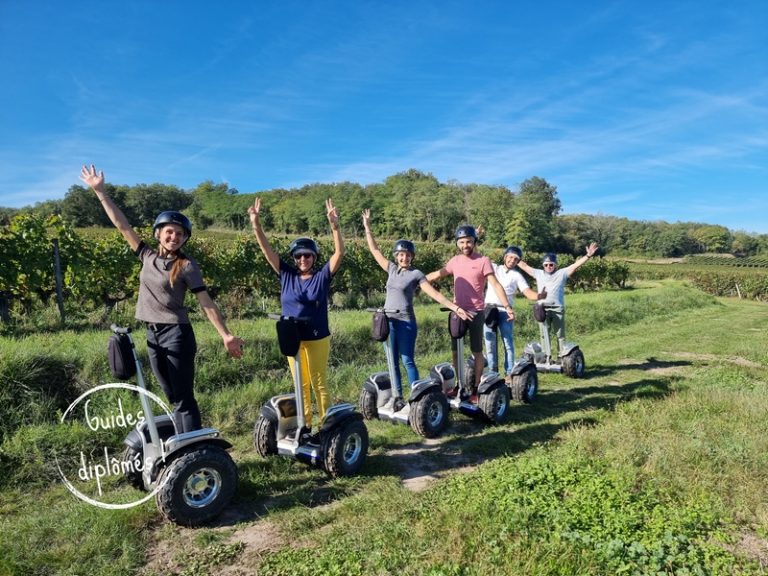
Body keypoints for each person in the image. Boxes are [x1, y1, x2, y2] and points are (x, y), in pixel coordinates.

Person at [79, 164, 244, 433]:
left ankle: (192, 451)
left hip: (176, 335)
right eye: (169, 231)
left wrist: (225, 334)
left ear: (184, 239)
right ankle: (184, 446)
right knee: (171, 396)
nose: (174, 237)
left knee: (183, 397)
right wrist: (101, 193)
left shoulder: (187, 266)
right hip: (152, 334)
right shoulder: (147, 256)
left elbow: (205, 302)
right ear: (159, 233)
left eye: (179, 234)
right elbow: (122, 225)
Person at [248, 196, 343, 439]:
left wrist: (335, 227)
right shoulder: (286, 274)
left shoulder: (321, 276)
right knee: (299, 384)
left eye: (308, 256)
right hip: (292, 338)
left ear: (314, 257)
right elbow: (266, 249)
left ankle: (327, 426)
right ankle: (305, 425)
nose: (303, 260)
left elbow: (339, 253)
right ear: (294, 258)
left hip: (317, 337)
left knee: (318, 381)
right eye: (299, 256)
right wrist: (256, 225)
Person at [362, 209, 471, 405]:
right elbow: (375, 251)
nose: (404, 258)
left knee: (407, 361)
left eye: (408, 255)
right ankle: (397, 396)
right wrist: (367, 227)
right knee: (392, 362)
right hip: (389, 321)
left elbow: (435, 294)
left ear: (412, 257)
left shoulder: (416, 274)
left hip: (405, 322)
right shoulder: (391, 269)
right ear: (397, 256)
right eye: (401, 255)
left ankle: (416, 398)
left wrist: (454, 307)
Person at [425, 225, 517, 392]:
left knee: (477, 351)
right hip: (456, 312)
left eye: (468, 242)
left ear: (474, 242)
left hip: (476, 312)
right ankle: (459, 385)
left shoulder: (483, 261)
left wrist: (507, 306)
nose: (465, 245)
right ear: (457, 243)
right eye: (461, 242)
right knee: (455, 352)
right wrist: (417, 280)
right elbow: (436, 274)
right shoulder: (455, 261)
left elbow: (495, 285)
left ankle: (475, 387)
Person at [517, 242, 599, 360]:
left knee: (560, 334)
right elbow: (524, 266)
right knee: (544, 334)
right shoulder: (538, 273)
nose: (548, 267)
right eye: (546, 265)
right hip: (542, 308)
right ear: (543, 265)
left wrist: (588, 256)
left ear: (555, 265)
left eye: (551, 265)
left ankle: (562, 357)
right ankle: (546, 356)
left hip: (557, 308)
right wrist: (513, 254)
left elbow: (575, 265)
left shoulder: (562, 273)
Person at [483, 246, 541, 382]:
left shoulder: (517, 276)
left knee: (508, 343)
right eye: (510, 257)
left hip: (505, 312)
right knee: (489, 344)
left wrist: (540, 295)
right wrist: (476, 237)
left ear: (518, 262)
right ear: (505, 257)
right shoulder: (494, 268)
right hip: (489, 310)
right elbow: (478, 258)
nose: (512, 260)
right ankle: (492, 373)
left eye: (516, 259)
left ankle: (509, 373)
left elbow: (527, 292)